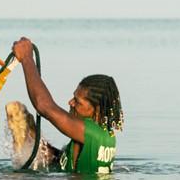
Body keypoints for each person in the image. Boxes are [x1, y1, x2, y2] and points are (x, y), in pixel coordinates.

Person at [7, 37, 124, 173]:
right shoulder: (106, 135)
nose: (70, 103)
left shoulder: (90, 132)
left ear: (96, 110)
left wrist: (27, 58)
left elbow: (44, 106)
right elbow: (64, 161)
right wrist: (37, 141)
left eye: (77, 101)